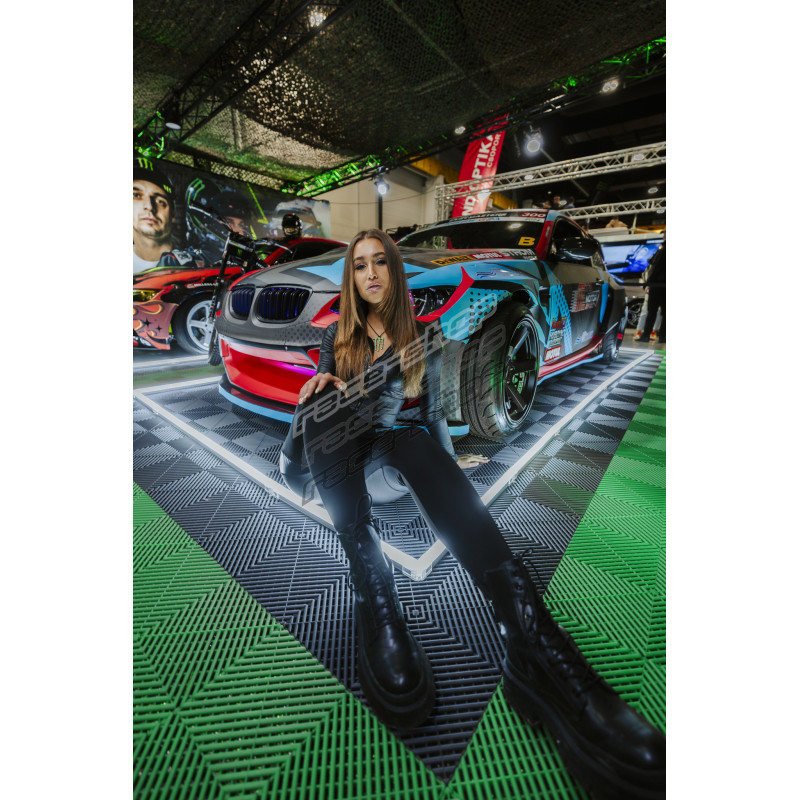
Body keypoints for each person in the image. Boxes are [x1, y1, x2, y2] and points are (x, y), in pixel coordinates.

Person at [280, 229, 666, 799]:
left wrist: (448, 473)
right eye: (359, 265)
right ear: (351, 277)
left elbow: (433, 418)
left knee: (417, 442)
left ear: (393, 271)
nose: (370, 273)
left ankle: (531, 638)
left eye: (380, 262)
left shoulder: (425, 337)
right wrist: (321, 384)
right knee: (326, 402)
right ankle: (374, 589)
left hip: (389, 461)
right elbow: (324, 404)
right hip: (334, 463)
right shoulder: (336, 338)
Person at [133, 158, 176, 273]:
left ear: (173, 214)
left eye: (160, 201)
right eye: (136, 195)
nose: (150, 206)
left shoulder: (196, 263)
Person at [635, 240, 666, 344]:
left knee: (652, 311)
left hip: (657, 285)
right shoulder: (662, 250)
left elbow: (655, 268)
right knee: (664, 313)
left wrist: (649, 283)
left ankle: (646, 335)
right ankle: (662, 336)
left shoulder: (662, 251)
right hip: (663, 285)